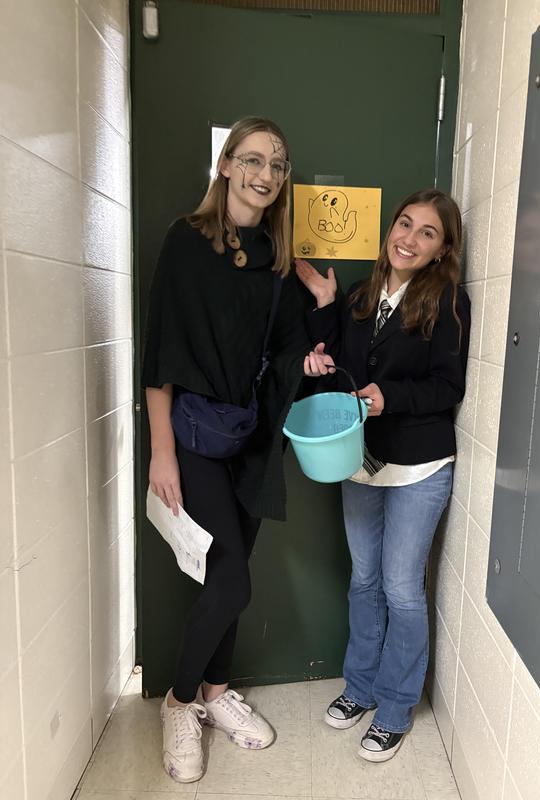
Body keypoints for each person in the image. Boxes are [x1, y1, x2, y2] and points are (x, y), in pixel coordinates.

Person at [142, 117, 333, 783]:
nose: (265, 173)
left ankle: (217, 693)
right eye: (253, 159)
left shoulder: (276, 263)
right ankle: (179, 700)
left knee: (229, 577)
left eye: (277, 164)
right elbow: (160, 354)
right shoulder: (186, 244)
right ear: (226, 165)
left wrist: (318, 315)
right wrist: (160, 451)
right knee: (230, 579)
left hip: (250, 439)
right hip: (192, 437)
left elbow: (286, 353)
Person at [296, 188, 470, 762]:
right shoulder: (360, 295)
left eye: (427, 233)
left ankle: (394, 708)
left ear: (443, 251)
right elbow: (340, 365)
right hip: (360, 464)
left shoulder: (447, 301)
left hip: (419, 466)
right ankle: (360, 688)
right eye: (404, 224)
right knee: (364, 580)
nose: (409, 238)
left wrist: (387, 399)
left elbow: (448, 387)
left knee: (400, 588)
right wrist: (321, 334)